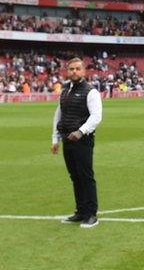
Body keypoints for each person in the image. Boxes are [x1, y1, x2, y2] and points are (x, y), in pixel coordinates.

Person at [51, 57, 102, 228]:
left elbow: (96, 117)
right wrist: (55, 138)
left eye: (77, 68)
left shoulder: (91, 92)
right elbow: (59, 115)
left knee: (86, 177)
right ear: (67, 71)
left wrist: (80, 132)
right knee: (75, 177)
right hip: (67, 139)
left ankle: (91, 214)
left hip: (83, 140)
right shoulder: (65, 91)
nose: (74, 71)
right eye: (71, 69)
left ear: (84, 71)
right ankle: (80, 211)